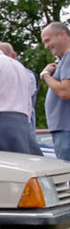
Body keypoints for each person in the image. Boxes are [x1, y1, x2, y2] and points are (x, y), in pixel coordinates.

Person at [40, 21, 70, 161]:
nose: (46, 46)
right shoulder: (64, 60)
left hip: (66, 128)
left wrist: (45, 75)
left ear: (63, 34)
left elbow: (65, 91)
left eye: (48, 40)